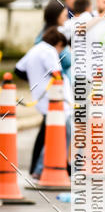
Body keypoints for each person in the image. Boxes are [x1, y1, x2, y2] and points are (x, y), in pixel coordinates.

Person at [15, 27, 72, 178]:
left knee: (47, 133)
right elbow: (57, 74)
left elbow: (18, 69)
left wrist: (35, 80)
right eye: (61, 49)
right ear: (58, 43)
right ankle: (47, 167)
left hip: (40, 97)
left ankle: (42, 167)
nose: (60, 53)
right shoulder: (49, 51)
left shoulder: (35, 49)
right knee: (61, 133)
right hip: (54, 100)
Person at [34, 0, 71, 80]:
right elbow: (67, 61)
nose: (67, 18)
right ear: (57, 15)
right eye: (65, 15)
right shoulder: (54, 36)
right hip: (56, 83)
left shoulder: (44, 33)